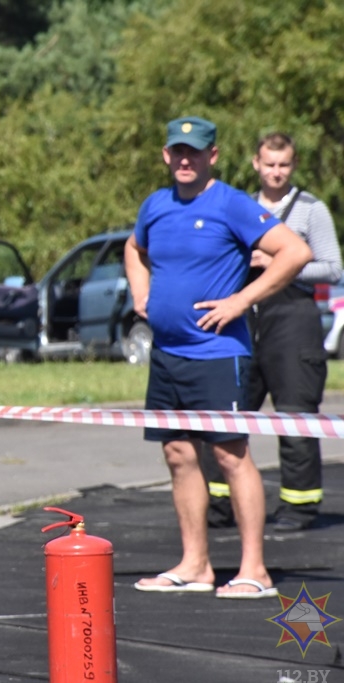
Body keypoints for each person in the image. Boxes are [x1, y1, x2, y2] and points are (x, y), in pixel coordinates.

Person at [125, 117, 311, 598]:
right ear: (167, 155)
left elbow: (295, 252)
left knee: (230, 456)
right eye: (178, 151)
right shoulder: (155, 205)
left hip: (217, 353)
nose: (186, 159)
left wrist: (240, 301)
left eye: (196, 151)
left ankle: (255, 571)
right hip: (167, 355)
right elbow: (133, 247)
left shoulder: (231, 203)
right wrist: (140, 290)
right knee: (179, 455)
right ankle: (196, 565)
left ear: (213, 155)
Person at [203, 132, 342, 533]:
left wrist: (277, 262)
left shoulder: (311, 210)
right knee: (225, 414)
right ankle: (219, 504)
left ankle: (299, 507)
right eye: (269, 164)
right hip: (244, 318)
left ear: (292, 166)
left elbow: (333, 268)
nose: (276, 172)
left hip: (293, 320)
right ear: (256, 164)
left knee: (296, 417)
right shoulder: (239, 206)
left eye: (283, 165)